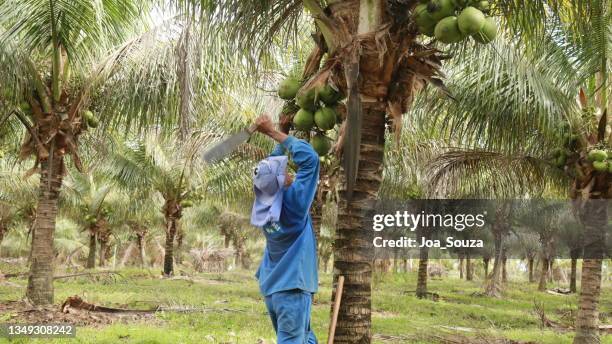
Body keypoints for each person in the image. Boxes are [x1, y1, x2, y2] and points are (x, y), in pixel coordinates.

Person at [250, 114, 319, 344]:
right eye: (284, 172)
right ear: (282, 181)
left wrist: (282, 129)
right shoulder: (295, 205)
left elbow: (270, 169)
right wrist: (271, 131)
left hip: (275, 290)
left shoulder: (263, 207)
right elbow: (310, 160)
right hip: (292, 291)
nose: (288, 171)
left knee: (306, 338)